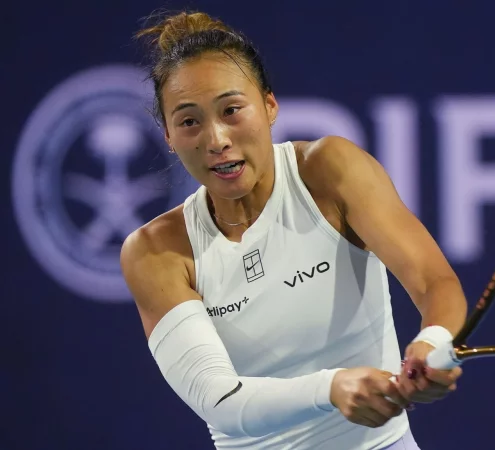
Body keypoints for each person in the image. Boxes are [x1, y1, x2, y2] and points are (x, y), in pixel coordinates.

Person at [121, 10, 468, 450]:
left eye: (232, 110)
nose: (216, 139)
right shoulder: (155, 252)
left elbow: (434, 282)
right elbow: (219, 400)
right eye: (189, 121)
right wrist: (332, 389)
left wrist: (432, 341)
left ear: (269, 106)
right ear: (168, 135)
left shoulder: (329, 170)